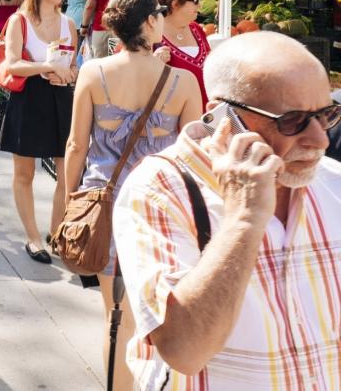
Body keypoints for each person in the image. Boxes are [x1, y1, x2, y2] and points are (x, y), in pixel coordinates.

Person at [113, 32, 340, 389]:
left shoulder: (333, 183)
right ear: (225, 116)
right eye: (292, 120)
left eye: (327, 114)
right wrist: (244, 219)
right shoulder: (158, 189)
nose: (320, 140)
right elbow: (184, 351)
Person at [63, 0, 202, 387]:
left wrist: (70, 199)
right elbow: (190, 157)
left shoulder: (94, 73)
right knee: (160, 316)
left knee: (115, 316)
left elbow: (76, 146)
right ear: (147, 23)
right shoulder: (184, 81)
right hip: (161, 210)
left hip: (104, 205)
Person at [0, 0, 77, 264]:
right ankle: (33, 237)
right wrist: (47, 67)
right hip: (28, 97)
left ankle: (56, 232)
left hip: (60, 97)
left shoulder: (68, 23)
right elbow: (13, 64)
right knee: (24, 173)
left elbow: (72, 65)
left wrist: (67, 75)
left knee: (67, 171)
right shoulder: (20, 21)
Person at [154, 0, 211, 108]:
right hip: (173, 121)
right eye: (195, 0)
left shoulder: (197, 29)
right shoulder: (153, 36)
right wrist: (153, 63)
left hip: (207, 115)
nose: (199, 5)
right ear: (175, 3)